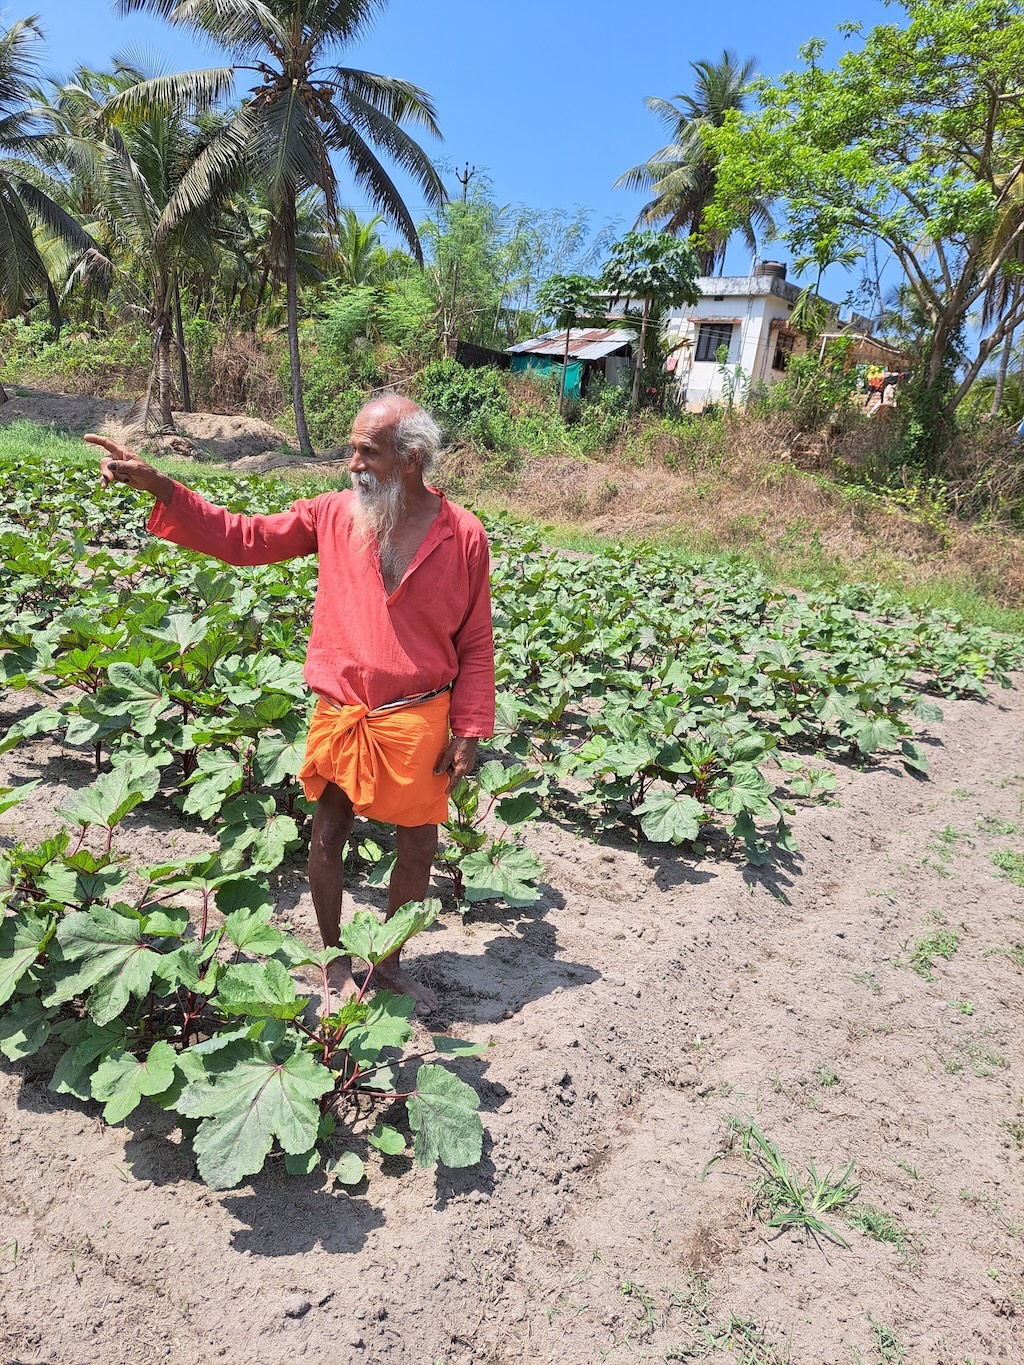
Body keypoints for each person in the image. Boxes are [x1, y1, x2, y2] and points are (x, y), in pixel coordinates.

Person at [84, 396, 495, 1016]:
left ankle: (387, 965)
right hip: (342, 709)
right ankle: (333, 961)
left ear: (410, 460)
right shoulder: (331, 515)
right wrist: (163, 487)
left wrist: (470, 728)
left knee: (417, 849)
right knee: (328, 834)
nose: (351, 463)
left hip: (416, 716)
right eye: (352, 448)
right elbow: (243, 538)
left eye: (367, 452)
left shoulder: (462, 534)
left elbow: (476, 639)